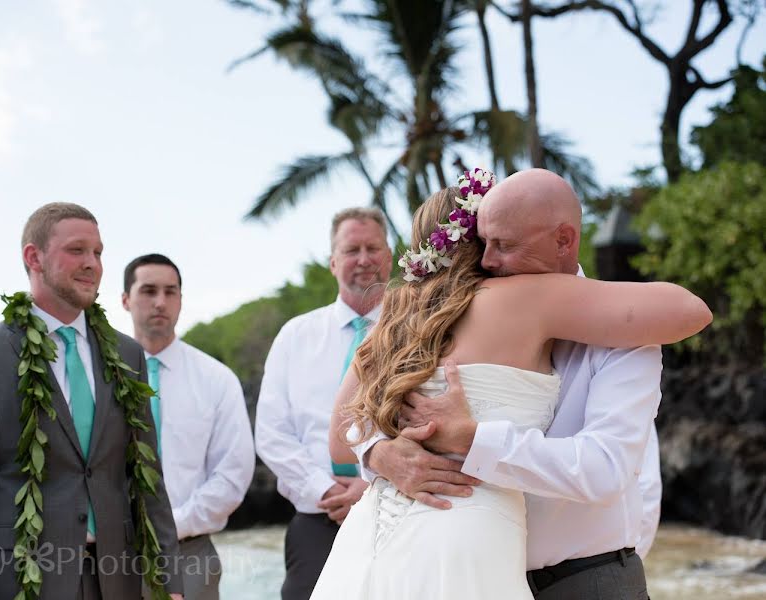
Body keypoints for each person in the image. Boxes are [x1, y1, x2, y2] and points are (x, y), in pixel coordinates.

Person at [311, 169, 712, 599]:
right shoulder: (454, 315)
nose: (489, 261)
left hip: (579, 579)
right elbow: (346, 437)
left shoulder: (400, 316)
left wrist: (474, 439)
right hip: (466, 551)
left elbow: (605, 469)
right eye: (486, 242)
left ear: (562, 240)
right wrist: (380, 453)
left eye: (502, 244)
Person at [0, 203, 184, 600]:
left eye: (98, 252)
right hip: (21, 583)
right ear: (34, 257)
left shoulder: (127, 355)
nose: (93, 264)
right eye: (77, 250)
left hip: (117, 582)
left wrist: (169, 583)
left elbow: (148, 481)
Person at [254, 207, 394, 600]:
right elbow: (271, 432)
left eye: (373, 248)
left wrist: (368, 488)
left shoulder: (417, 331)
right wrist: (325, 490)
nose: (363, 259)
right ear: (333, 262)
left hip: (397, 511)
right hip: (317, 515)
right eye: (352, 250)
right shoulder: (294, 336)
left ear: (389, 256)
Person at [122, 253, 255, 600]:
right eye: (148, 291)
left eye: (171, 292)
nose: (160, 302)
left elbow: (233, 473)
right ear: (126, 300)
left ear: (181, 299)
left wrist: (170, 526)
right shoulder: (99, 376)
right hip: (111, 555)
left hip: (190, 553)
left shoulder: (216, 379)